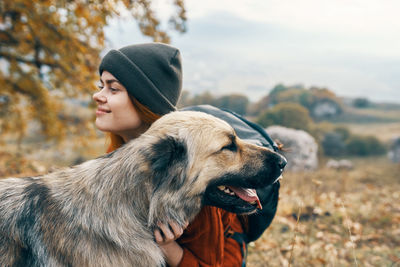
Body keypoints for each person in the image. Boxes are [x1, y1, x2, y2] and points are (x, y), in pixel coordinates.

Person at [93, 43, 245, 266]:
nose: (98, 95)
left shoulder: (192, 170)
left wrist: (165, 245)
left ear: (143, 101)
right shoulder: (118, 154)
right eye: (101, 86)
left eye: (113, 89)